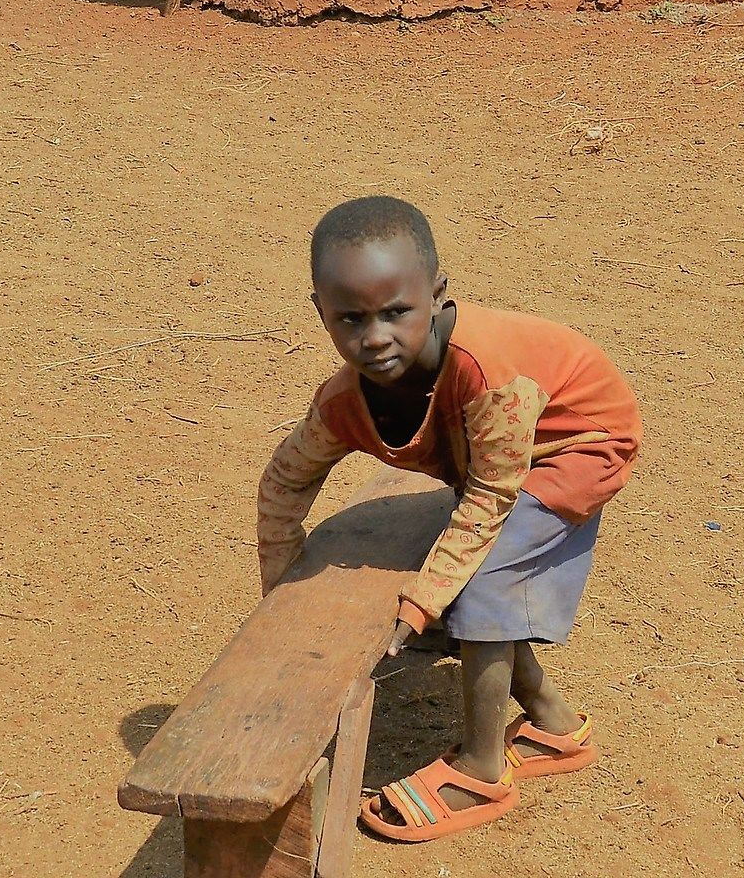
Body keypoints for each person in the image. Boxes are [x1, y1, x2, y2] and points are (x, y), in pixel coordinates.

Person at [256, 196, 641, 841]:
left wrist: (419, 607)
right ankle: (552, 724)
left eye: (396, 312)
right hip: (500, 458)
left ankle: (481, 769)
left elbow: (491, 498)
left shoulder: (487, 375)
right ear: (320, 313)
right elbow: (283, 482)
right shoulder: (346, 402)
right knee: (474, 580)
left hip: (575, 442)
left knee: (485, 583)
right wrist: (281, 597)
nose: (374, 338)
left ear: (437, 295)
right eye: (350, 319)